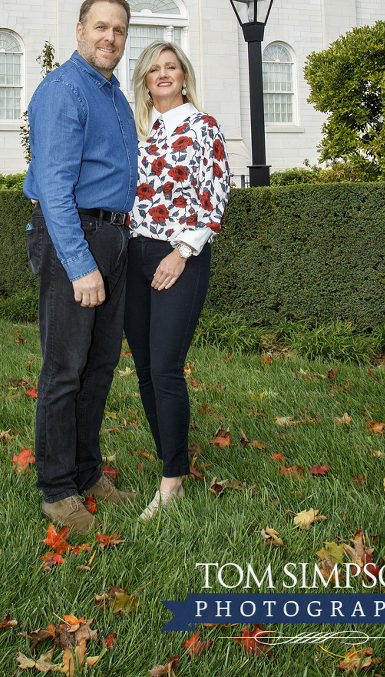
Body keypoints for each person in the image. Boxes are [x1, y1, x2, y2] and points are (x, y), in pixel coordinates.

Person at [23, 0, 139, 533]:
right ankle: (56, 489)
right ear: (79, 31)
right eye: (100, 27)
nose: (109, 38)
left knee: (99, 367)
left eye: (118, 30)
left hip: (114, 237)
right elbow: (52, 188)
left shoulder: (114, 96)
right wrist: (79, 264)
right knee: (64, 370)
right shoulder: (63, 89)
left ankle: (87, 471)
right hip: (75, 237)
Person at [124, 41, 231, 521]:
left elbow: (216, 195)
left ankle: (172, 482)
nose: (163, 75)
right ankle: (171, 459)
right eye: (153, 69)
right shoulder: (137, 132)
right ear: (145, 81)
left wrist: (182, 250)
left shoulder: (203, 127)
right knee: (145, 369)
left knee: (166, 367)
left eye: (171, 67)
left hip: (179, 256)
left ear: (183, 76)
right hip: (133, 255)